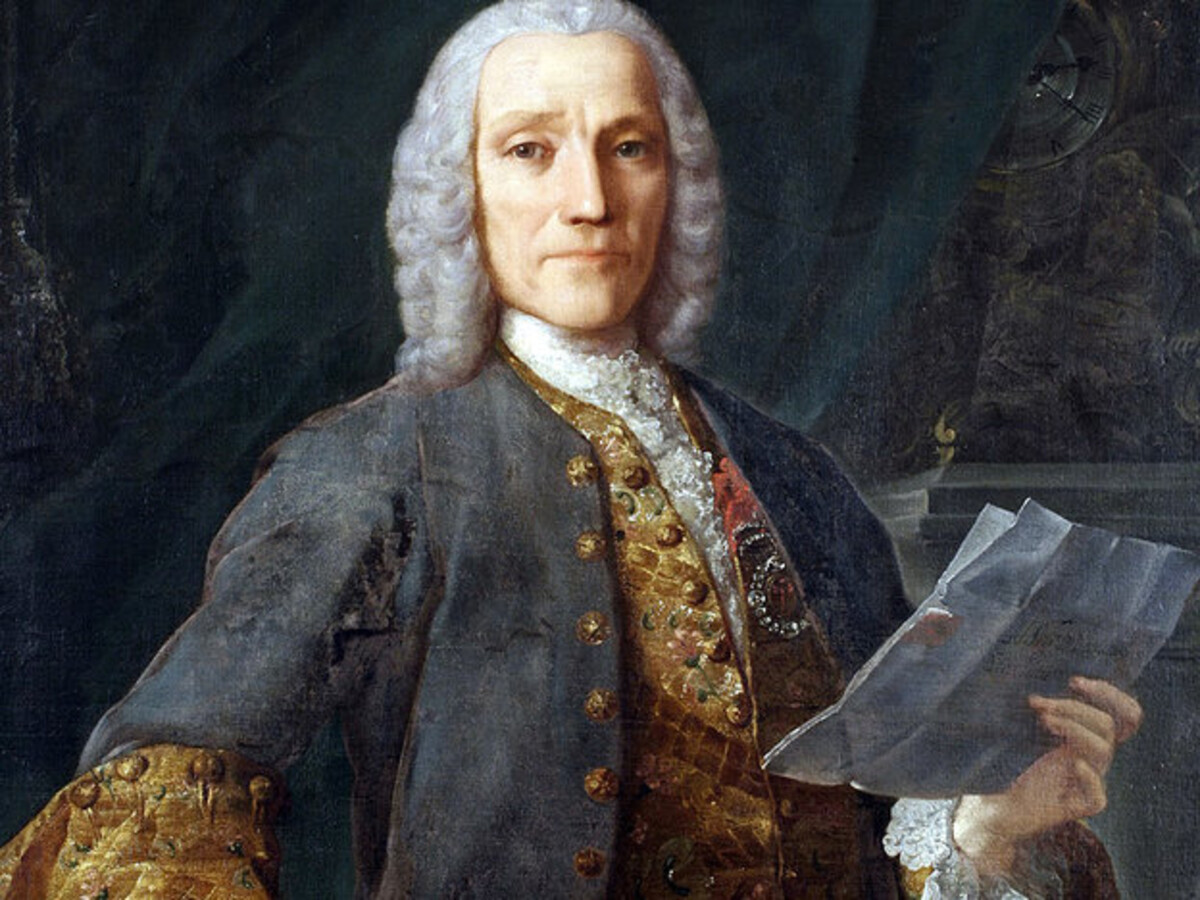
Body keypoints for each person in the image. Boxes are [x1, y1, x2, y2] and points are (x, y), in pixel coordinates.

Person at [0, 1, 1142, 897]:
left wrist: (988, 830)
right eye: (530, 151)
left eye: (627, 147)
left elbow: (887, 838)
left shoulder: (798, 480)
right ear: (460, 191)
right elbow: (166, 788)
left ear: (674, 183)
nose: (588, 199)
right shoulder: (371, 465)